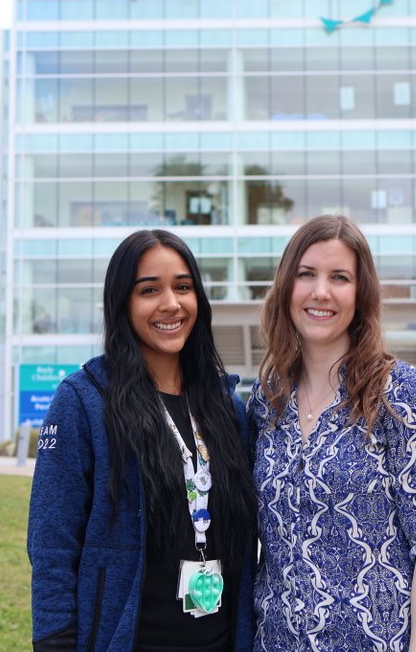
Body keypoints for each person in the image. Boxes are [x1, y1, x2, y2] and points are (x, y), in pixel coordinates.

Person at [28, 229, 257, 652]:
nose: (170, 303)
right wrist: (54, 641)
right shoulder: (84, 401)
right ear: (123, 304)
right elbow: (51, 544)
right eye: (149, 289)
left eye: (183, 287)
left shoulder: (226, 406)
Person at [248, 215, 416, 652]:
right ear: (286, 286)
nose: (320, 292)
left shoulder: (403, 397)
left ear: (360, 294)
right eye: (306, 274)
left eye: (339, 277)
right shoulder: (265, 401)